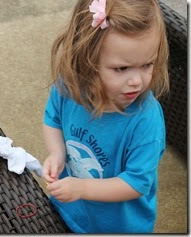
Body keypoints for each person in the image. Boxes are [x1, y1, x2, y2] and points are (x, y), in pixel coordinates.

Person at [42, 0, 169, 233]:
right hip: (69, 210)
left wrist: (81, 189)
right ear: (86, 58)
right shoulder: (69, 86)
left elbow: (136, 183)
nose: (137, 81)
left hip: (119, 226)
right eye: (121, 69)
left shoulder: (145, 121)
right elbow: (53, 120)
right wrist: (57, 153)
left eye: (147, 65)